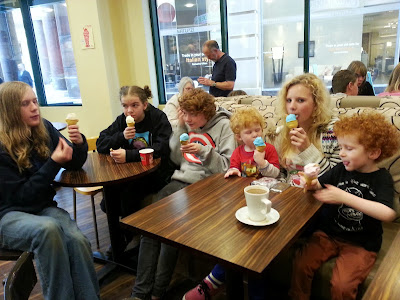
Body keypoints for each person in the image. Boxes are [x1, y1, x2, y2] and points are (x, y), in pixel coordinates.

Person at [127, 88, 236, 300]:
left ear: (207, 111)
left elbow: (227, 167)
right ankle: (139, 294)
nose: (188, 118)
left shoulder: (224, 126)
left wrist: (204, 151)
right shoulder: (186, 124)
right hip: (180, 181)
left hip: (207, 187)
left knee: (171, 230)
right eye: (184, 113)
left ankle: (157, 292)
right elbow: (177, 158)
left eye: (192, 114)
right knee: (150, 227)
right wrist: (179, 129)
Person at [0, 81, 99, 300]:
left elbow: (72, 160)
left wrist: (80, 143)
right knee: (48, 230)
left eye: (35, 101)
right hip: (8, 214)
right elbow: (21, 196)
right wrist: (53, 163)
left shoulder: (42, 128)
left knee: (77, 240)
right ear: (10, 111)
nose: (35, 107)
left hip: (42, 208)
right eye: (25, 104)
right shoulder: (1, 146)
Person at [289, 112, 399, 300]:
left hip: (362, 244)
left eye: (348, 148)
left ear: (373, 153)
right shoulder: (340, 168)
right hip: (329, 234)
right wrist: (309, 181)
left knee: (342, 285)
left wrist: (344, 197)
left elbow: (388, 213)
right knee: (300, 264)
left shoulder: (381, 178)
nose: (341, 153)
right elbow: (318, 185)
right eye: (340, 147)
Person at [183, 106, 280, 300]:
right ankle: (214, 281)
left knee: (257, 247)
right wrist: (233, 172)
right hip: (243, 201)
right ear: (239, 136)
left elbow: (277, 173)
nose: (255, 135)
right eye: (249, 132)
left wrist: (262, 163)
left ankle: (214, 281)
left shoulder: (268, 149)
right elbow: (234, 169)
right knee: (233, 234)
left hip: (266, 200)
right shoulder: (237, 153)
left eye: (257, 130)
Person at [96, 85, 172, 225]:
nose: (129, 111)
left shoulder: (157, 118)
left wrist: (129, 155)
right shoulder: (122, 121)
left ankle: (132, 236)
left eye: (134, 105)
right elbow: (100, 143)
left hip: (155, 173)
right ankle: (119, 240)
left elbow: (162, 148)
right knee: (109, 196)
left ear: (144, 105)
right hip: (129, 172)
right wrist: (121, 136)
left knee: (127, 195)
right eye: (125, 106)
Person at [275, 73, 341, 187]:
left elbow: (337, 179)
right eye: (289, 100)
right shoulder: (284, 131)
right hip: (291, 195)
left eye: (300, 100)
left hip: (320, 198)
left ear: (316, 104)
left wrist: (307, 149)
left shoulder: (333, 132)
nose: (292, 106)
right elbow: (281, 174)